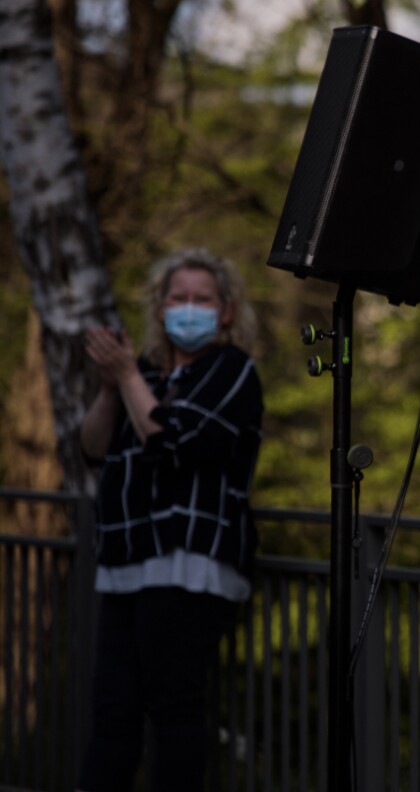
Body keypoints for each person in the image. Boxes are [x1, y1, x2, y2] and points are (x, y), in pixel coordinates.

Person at [76, 248, 263, 792]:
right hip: (127, 561)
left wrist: (127, 374)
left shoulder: (232, 372)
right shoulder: (146, 376)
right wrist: (115, 384)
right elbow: (93, 447)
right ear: (158, 308)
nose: (189, 309)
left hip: (189, 562)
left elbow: (172, 442)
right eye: (178, 298)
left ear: (226, 311)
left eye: (202, 299)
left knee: (174, 707)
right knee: (113, 711)